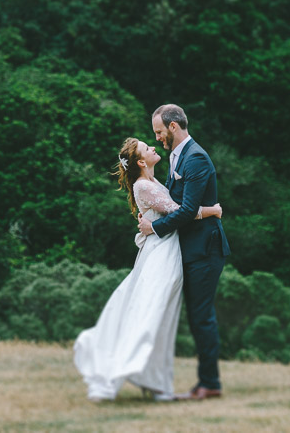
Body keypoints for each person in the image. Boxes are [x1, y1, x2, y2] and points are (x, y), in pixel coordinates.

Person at [73, 137, 222, 402]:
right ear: (141, 162)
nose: (153, 147)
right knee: (150, 314)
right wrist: (213, 210)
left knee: (163, 318)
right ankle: (126, 373)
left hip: (168, 251)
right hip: (161, 256)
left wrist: (150, 225)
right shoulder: (143, 185)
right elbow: (180, 212)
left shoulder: (153, 183)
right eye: (147, 148)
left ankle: (156, 382)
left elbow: (170, 212)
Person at [138, 104, 230, 401]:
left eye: (159, 132)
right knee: (188, 315)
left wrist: (155, 228)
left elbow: (188, 209)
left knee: (201, 317)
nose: (158, 138)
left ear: (173, 127)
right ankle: (157, 375)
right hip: (187, 249)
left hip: (204, 250)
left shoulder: (196, 158)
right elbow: (174, 203)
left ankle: (210, 383)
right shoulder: (178, 157)